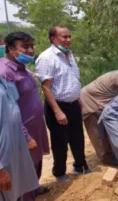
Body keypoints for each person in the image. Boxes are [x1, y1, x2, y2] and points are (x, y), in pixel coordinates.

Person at [35, 25, 90, 182]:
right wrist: (58, 111)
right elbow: (46, 88)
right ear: (53, 38)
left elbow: (72, 80)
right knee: (60, 142)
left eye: (69, 36)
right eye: (64, 37)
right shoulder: (47, 58)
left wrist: (77, 99)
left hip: (73, 104)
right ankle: (59, 173)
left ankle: (80, 166)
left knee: (78, 137)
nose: (68, 40)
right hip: (57, 106)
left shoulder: (69, 55)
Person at [0, 32, 50, 200]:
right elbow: (10, 110)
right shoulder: (5, 73)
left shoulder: (24, 69)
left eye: (31, 45)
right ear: (11, 49)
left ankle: (34, 189)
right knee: (24, 167)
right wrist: (26, 136)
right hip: (22, 131)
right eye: (25, 46)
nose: (30, 50)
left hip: (36, 125)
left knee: (36, 162)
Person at [0, 77, 39, 201]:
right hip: (2, 159)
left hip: (13, 153)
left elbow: (13, 112)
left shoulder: (3, 81)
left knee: (15, 190)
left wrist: (26, 136)